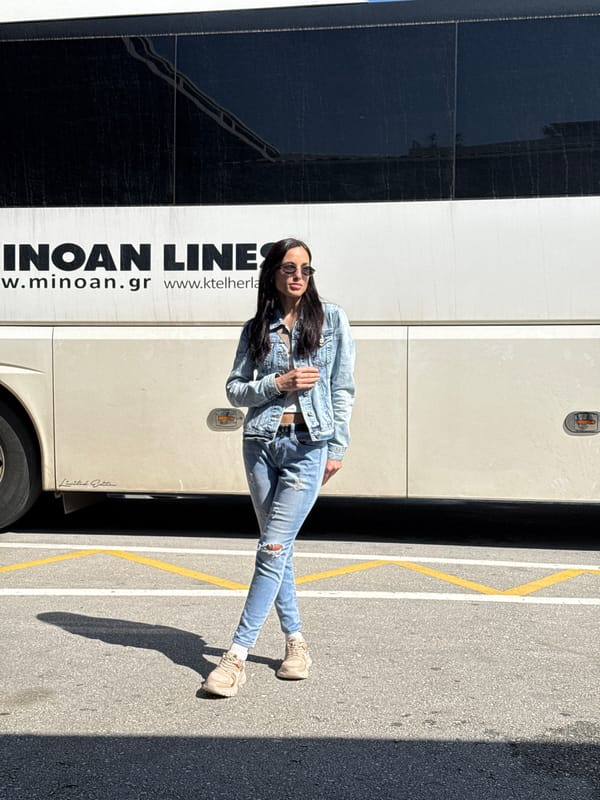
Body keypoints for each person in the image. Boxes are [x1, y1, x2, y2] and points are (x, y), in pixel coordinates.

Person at [203, 237, 355, 697]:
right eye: (290, 268)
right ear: (273, 273)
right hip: (262, 444)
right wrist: (278, 382)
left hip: (309, 444)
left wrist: (337, 448)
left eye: (306, 269)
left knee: (271, 549)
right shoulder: (257, 327)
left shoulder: (331, 320)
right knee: (278, 547)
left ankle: (236, 657)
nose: (298, 276)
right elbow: (235, 390)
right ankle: (296, 643)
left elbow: (342, 387)